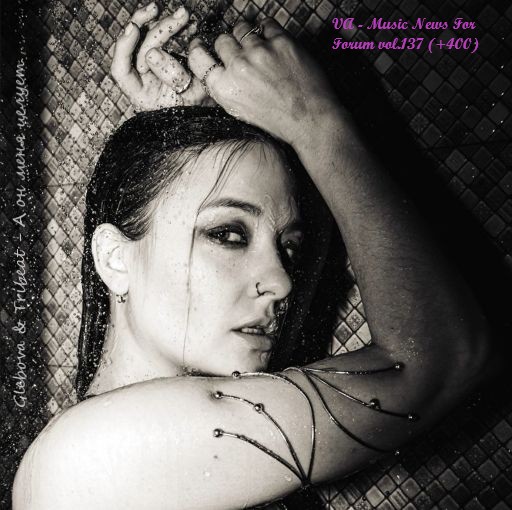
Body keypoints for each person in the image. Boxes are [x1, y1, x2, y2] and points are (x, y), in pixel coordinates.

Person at [13, 4, 492, 509]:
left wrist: (185, 138)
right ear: (114, 258)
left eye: (289, 247)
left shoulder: (130, 453)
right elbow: (445, 356)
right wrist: (315, 120)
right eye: (227, 234)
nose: (282, 281)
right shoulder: (97, 452)